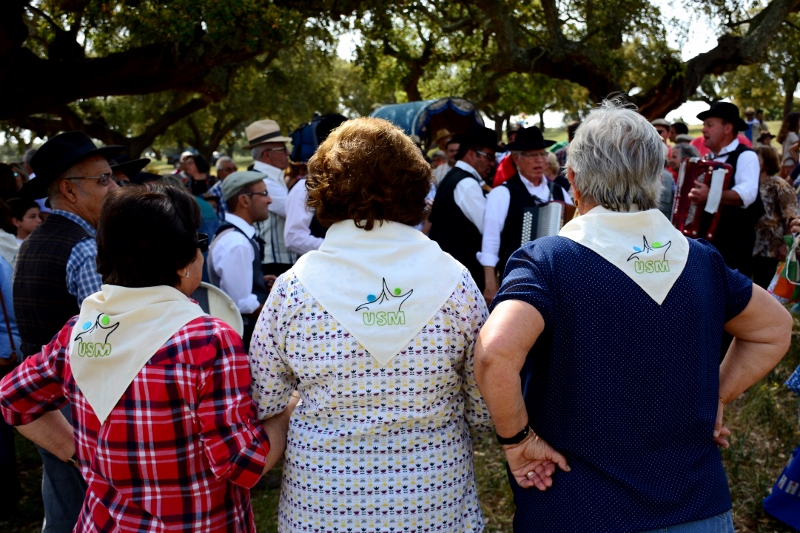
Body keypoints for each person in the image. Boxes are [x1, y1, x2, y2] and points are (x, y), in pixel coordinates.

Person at [474, 98, 793, 533]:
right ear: (655, 179)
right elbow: (774, 327)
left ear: (573, 179)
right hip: (697, 504)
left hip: (576, 506)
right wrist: (715, 395)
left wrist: (518, 441)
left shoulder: (546, 261)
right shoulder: (700, 260)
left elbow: (494, 354)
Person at [0, 183, 294, 531]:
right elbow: (244, 465)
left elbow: (13, 399)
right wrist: (286, 411)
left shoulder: (80, 330)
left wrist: (80, 455)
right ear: (184, 261)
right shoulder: (208, 341)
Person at [249, 117, 492, 532]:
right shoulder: (454, 280)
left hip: (325, 503)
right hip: (432, 500)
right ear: (415, 186)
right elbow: (485, 404)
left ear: (325, 190)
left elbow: (263, 398)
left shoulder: (293, 289)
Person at [13, 131, 121, 532]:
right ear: (69, 190)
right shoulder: (82, 247)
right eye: (104, 179)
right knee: (89, 505)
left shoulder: (33, 241)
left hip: (42, 394)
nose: (114, 188)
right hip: (77, 400)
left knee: (62, 503)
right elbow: (103, 343)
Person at [479, 126, 572, 304]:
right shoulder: (502, 193)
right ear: (516, 159)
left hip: (557, 278)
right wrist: (490, 283)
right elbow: (490, 242)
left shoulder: (558, 191)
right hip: (517, 278)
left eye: (542, 154)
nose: (539, 160)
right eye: (531, 155)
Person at [691, 101, 763, 276]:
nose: (703, 130)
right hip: (706, 242)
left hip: (734, 245)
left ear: (727, 128)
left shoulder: (746, 156)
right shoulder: (706, 160)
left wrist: (710, 196)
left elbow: (747, 194)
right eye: (703, 125)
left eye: (709, 125)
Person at [429, 125, 501, 291]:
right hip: (462, 277)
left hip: (449, 273)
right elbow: (488, 228)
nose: (492, 163)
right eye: (489, 156)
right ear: (471, 154)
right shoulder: (466, 183)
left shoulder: (455, 177)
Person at [207, 171, 272, 351]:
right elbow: (241, 303)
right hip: (246, 338)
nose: (270, 200)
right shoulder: (237, 243)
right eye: (264, 194)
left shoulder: (236, 237)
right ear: (244, 200)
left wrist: (259, 281)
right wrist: (278, 310)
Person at [245, 119, 296, 276]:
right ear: (267, 154)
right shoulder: (264, 181)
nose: (288, 153)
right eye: (282, 149)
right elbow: (296, 211)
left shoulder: (269, 178)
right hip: (275, 262)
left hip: (278, 259)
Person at [752, 145, 799, 288]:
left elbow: (791, 215)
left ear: (767, 161)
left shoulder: (778, 184)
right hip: (749, 244)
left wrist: (786, 243)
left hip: (769, 246)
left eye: (757, 159)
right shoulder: (748, 183)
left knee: (763, 285)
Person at [778, 111, 800, 179]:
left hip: (784, 165)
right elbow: (794, 148)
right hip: (791, 165)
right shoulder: (792, 135)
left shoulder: (787, 134)